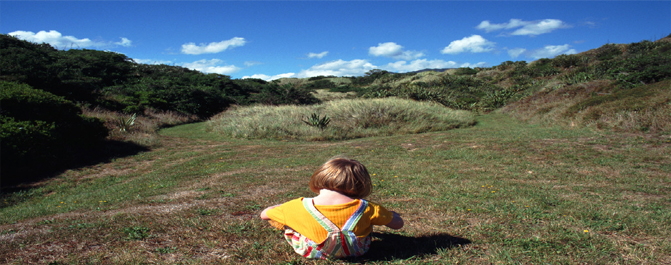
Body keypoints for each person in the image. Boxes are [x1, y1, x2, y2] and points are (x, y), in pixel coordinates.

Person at [260, 156, 404, 260]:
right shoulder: (368, 208)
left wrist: (279, 207)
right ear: (361, 184)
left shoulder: (295, 206)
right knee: (368, 222)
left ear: (320, 177)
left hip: (312, 251)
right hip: (357, 251)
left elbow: (264, 215)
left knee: (289, 222)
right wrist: (393, 215)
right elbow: (398, 225)